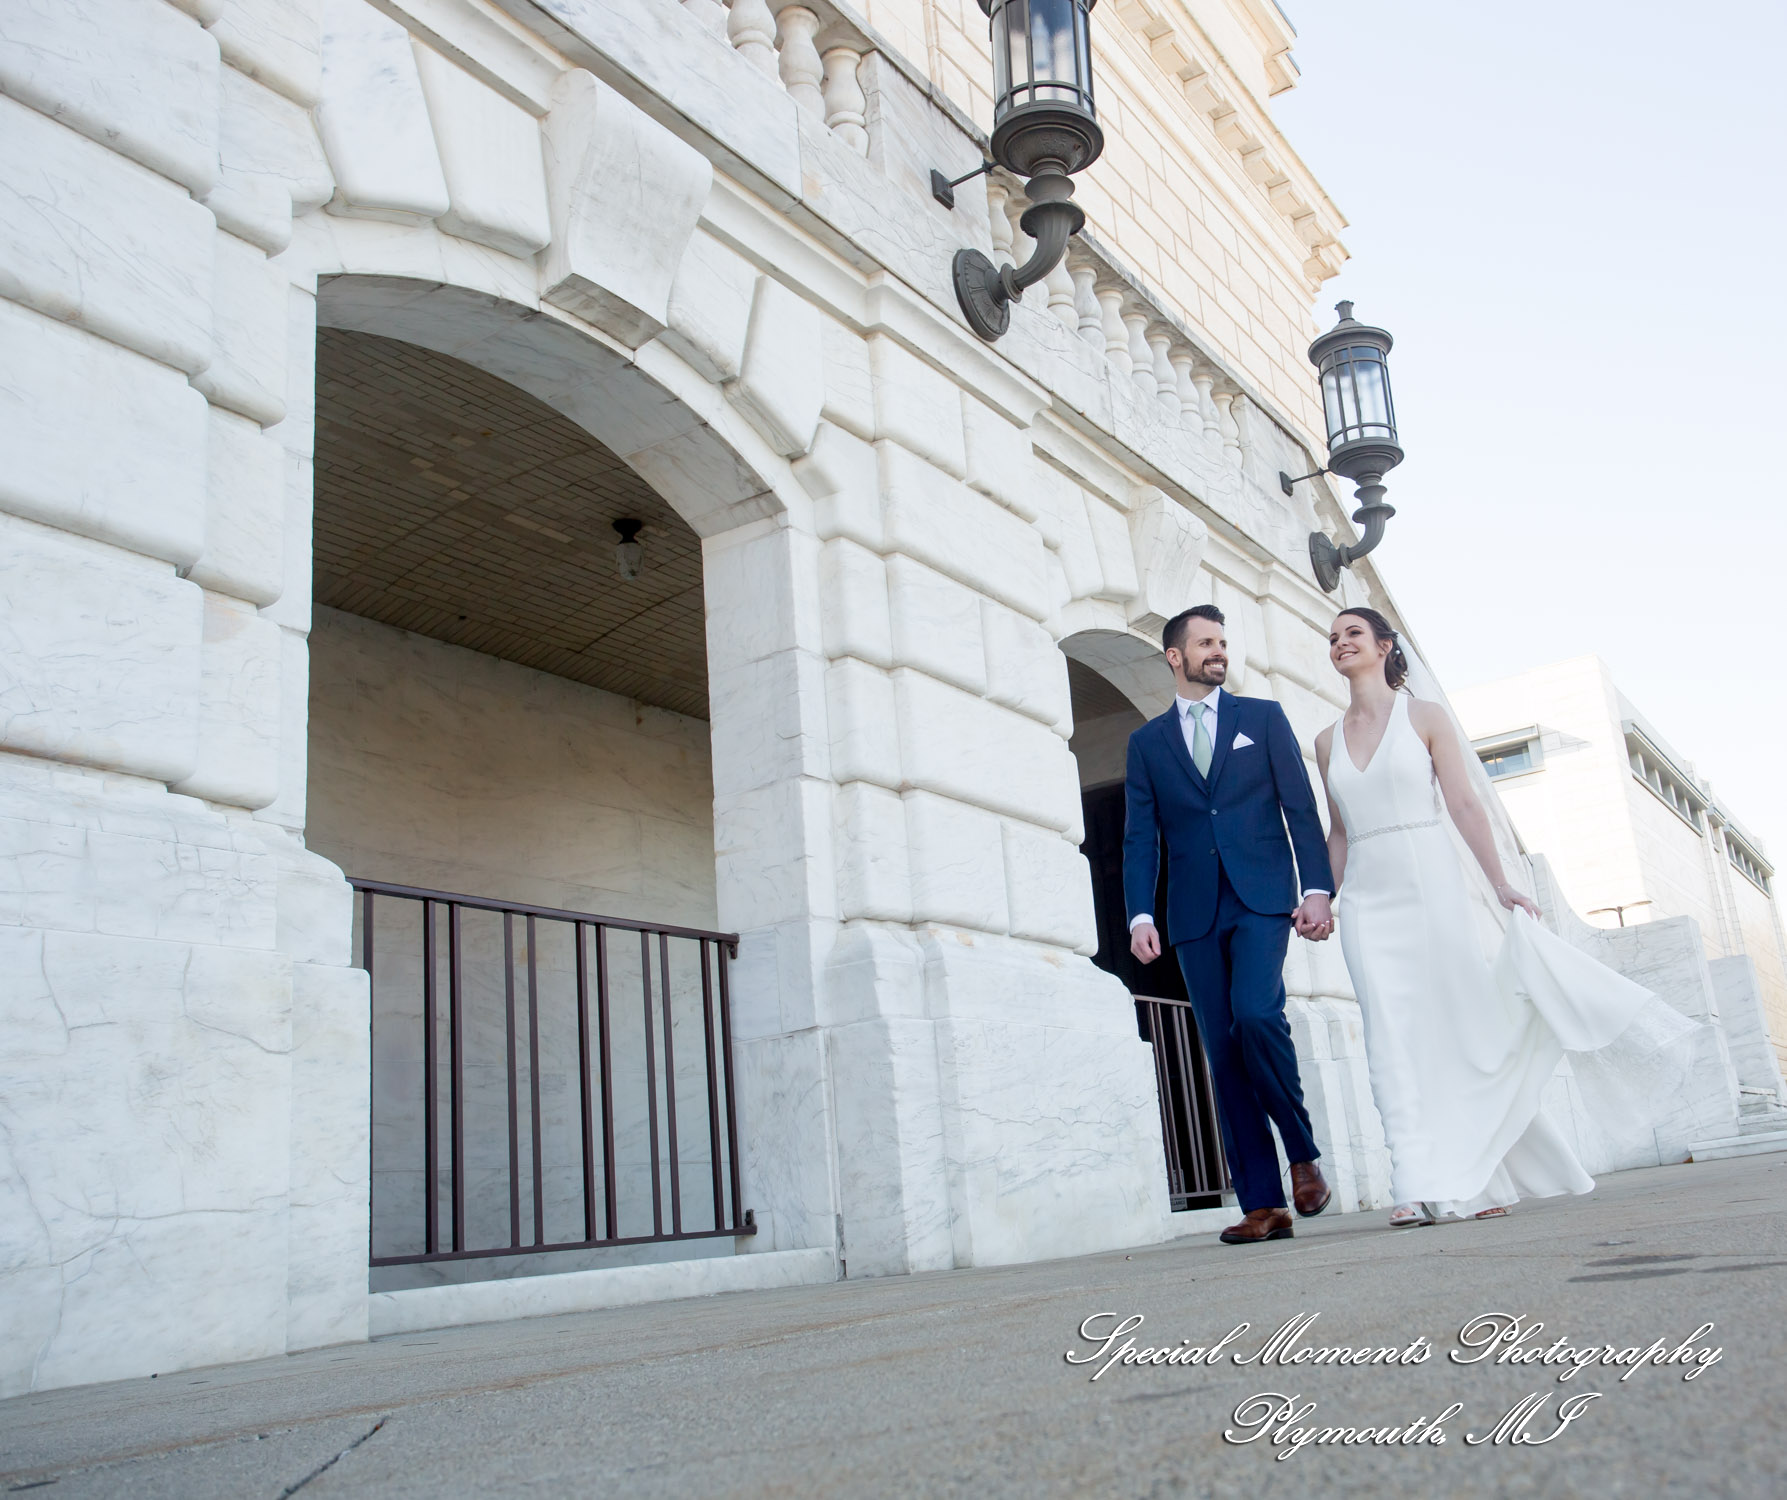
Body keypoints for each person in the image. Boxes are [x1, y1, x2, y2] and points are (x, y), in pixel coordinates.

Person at [1313, 606, 1689, 1226]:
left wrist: (1501, 885)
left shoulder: (1426, 717)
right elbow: (1339, 831)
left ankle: (1485, 1172)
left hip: (1430, 886)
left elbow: (1463, 802)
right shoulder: (1325, 739)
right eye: (1332, 638)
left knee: (1459, 1026)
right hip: (1366, 902)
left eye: (1353, 633)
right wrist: (1329, 895)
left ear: (1384, 646)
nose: (1340, 643)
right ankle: (1410, 1179)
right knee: (1386, 1035)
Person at [1124, 605, 1337, 1245]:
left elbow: (1300, 807)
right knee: (1222, 1054)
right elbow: (1140, 836)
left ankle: (1300, 1150)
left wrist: (1319, 888)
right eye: (1206, 643)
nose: (1219, 651)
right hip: (1191, 915)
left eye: (1222, 641)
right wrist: (1139, 912)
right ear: (1175, 656)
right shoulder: (1147, 743)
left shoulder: (1262, 719)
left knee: (1257, 1016)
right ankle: (1264, 1204)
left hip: (1262, 898)